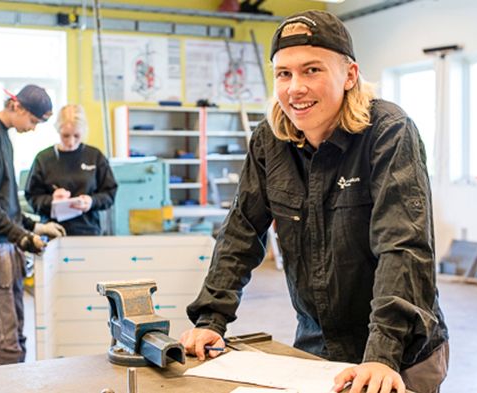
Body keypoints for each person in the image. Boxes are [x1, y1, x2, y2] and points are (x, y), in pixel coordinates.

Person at [180, 10, 449, 393]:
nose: (295, 88)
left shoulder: (389, 133)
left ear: (350, 75)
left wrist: (381, 354)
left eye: (312, 71)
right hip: (317, 345)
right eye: (283, 74)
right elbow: (240, 231)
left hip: (400, 351)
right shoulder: (269, 142)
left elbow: (402, 247)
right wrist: (211, 319)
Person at [0, 84, 66, 367]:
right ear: (16, 106)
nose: (32, 129)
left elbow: (4, 201)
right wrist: (22, 237)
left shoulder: (1, 135)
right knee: (3, 341)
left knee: (13, 335)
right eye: (32, 121)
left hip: (3, 247)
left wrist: (33, 226)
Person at [24, 104, 117, 236]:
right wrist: (52, 200)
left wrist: (92, 201)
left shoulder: (95, 156)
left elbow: (109, 193)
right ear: (57, 130)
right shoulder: (44, 159)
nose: (71, 142)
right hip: (53, 231)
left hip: (88, 231)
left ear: (83, 131)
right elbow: (32, 196)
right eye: (65, 136)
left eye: (76, 136)